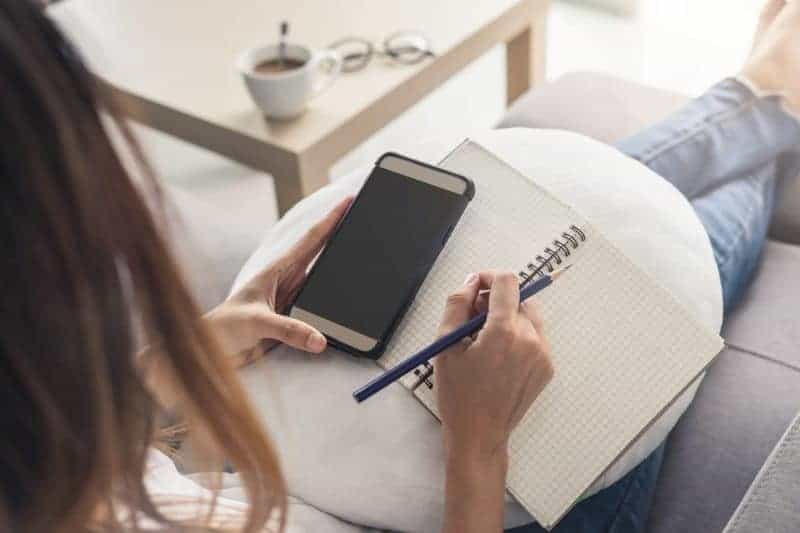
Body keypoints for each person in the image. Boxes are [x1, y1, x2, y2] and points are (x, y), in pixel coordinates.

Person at [0, 1, 797, 533]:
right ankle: (769, 103)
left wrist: (184, 358)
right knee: (636, 294)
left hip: (280, 461)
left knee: (573, 221)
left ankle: (765, 101)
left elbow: (52, 426)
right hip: (452, 505)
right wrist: (478, 448)